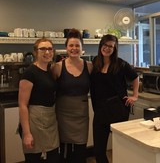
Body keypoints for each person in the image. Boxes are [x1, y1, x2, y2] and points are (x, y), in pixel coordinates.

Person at [90, 34, 139, 163]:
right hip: (100, 111)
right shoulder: (96, 62)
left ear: (115, 48)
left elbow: (135, 77)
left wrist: (135, 95)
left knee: (120, 147)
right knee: (99, 151)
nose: (107, 48)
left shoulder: (120, 64)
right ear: (101, 45)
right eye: (105, 45)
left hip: (118, 110)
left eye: (111, 46)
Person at [52, 28, 93, 163]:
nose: (74, 48)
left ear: (82, 48)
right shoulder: (57, 67)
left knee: (80, 151)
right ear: (66, 48)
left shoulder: (90, 66)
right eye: (71, 45)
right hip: (63, 115)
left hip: (81, 115)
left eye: (77, 45)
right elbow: (48, 89)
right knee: (64, 151)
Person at [18, 38, 60, 163]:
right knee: (33, 158)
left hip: (49, 119)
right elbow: (22, 105)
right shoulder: (30, 73)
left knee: (53, 157)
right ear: (36, 52)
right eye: (43, 49)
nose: (47, 52)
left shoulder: (49, 70)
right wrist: (26, 133)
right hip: (34, 121)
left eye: (49, 49)